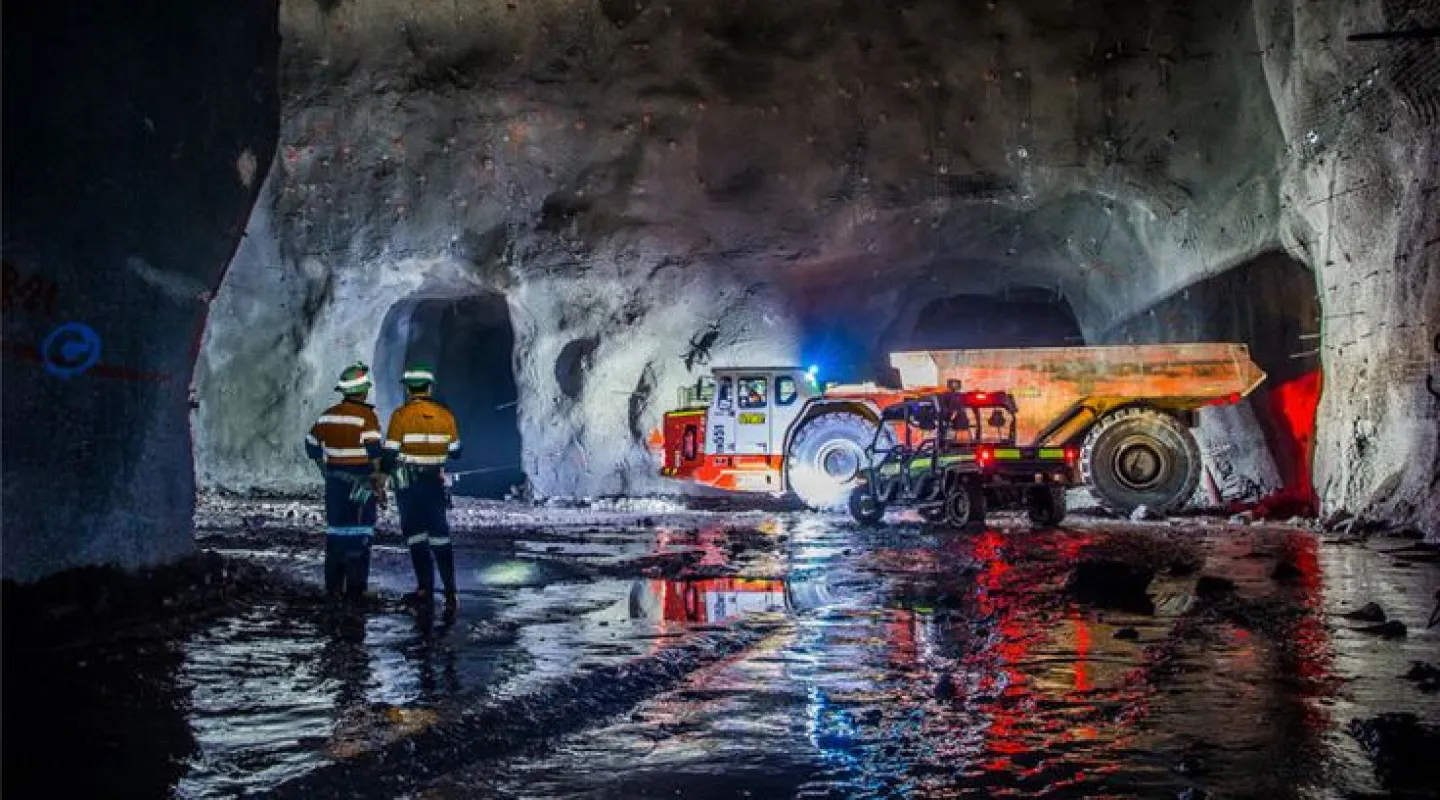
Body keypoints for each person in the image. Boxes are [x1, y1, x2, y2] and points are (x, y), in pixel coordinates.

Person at [381, 362, 463, 611]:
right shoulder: (445, 415)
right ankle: (450, 591)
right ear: (429, 387)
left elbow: (390, 453)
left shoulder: (400, 416)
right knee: (440, 535)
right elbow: (457, 452)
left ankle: (424, 588)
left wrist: (382, 478)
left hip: (408, 485)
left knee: (415, 534)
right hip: (434, 483)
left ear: (408, 389)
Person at [305, 362, 385, 601]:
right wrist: (379, 485)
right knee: (360, 534)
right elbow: (374, 453)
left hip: (335, 484)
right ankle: (356, 590)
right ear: (363, 391)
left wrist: (324, 470)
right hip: (360, 484)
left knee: (336, 533)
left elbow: (311, 444)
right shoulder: (366, 417)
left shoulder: (327, 416)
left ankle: (333, 588)